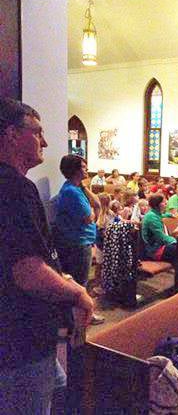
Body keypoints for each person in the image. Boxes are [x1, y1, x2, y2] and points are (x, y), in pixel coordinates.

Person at [0, 98, 95, 413]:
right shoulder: (15, 188)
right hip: (20, 340)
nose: (46, 141)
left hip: (18, 338)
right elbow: (27, 271)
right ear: (12, 135)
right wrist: (78, 292)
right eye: (37, 132)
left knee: (58, 383)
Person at [53, 155, 105, 327]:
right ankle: (79, 320)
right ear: (74, 170)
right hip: (76, 243)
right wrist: (94, 212)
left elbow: (97, 203)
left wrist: (84, 187)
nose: (86, 169)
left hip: (82, 241)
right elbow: (88, 217)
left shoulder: (78, 188)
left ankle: (79, 316)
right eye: (83, 167)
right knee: (79, 283)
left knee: (80, 281)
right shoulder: (70, 192)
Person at [141, 194, 177, 261]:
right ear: (157, 205)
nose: (166, 203)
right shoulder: (151, 217)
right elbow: (161, 237)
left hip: (159, 246)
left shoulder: (154, 213)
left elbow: (161, 215)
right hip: (155, 250)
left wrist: (169, 215)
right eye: (163, 202)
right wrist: (175, 241)